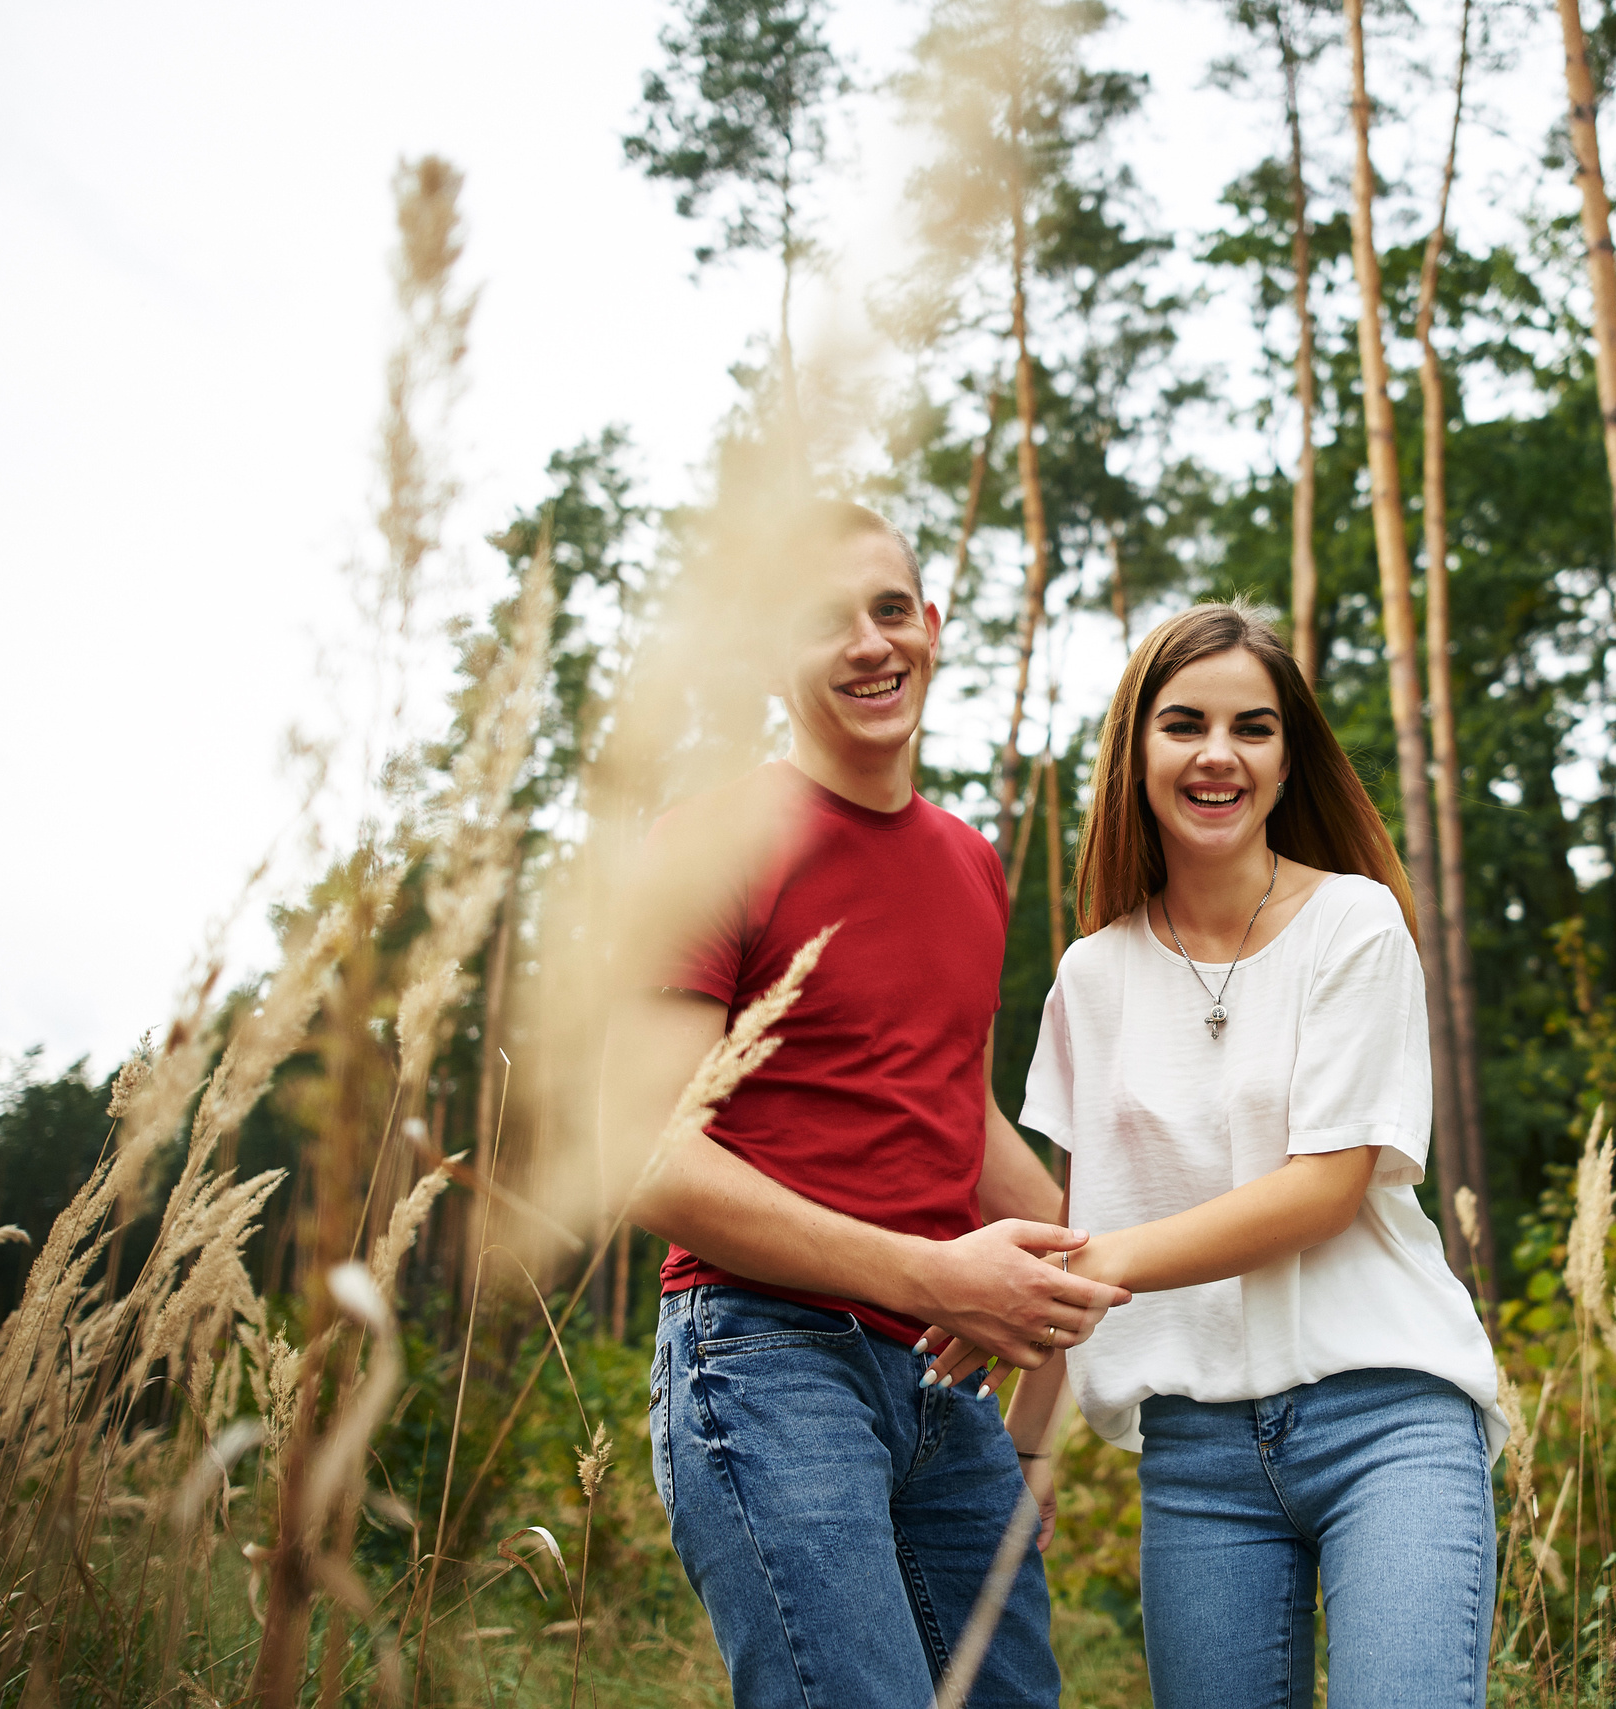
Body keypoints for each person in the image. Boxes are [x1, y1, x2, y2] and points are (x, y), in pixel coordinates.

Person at [922, 601, 1506, 1709]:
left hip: (1387, 1413)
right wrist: (1028, 1449)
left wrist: (1084, 1269)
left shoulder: (1355, 923)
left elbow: (1323, 1191)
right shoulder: (1092, 976)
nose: (1217, 754)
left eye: (1253, 727)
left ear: (1289, 760)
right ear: (1136, 750)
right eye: (1184, 723)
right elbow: (1084, 1215)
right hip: (1195, 1454)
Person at [602, 500, 1130, 1709]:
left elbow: (956, 1113)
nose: (868, 643)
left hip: (945, 1389)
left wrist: (1087, 1270)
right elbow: (644, 1156)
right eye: (821, 620)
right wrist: (937, 1275)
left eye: (890, 610)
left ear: (932, 627)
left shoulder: (970, 860)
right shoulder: (708, 842)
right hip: (763, 1357)